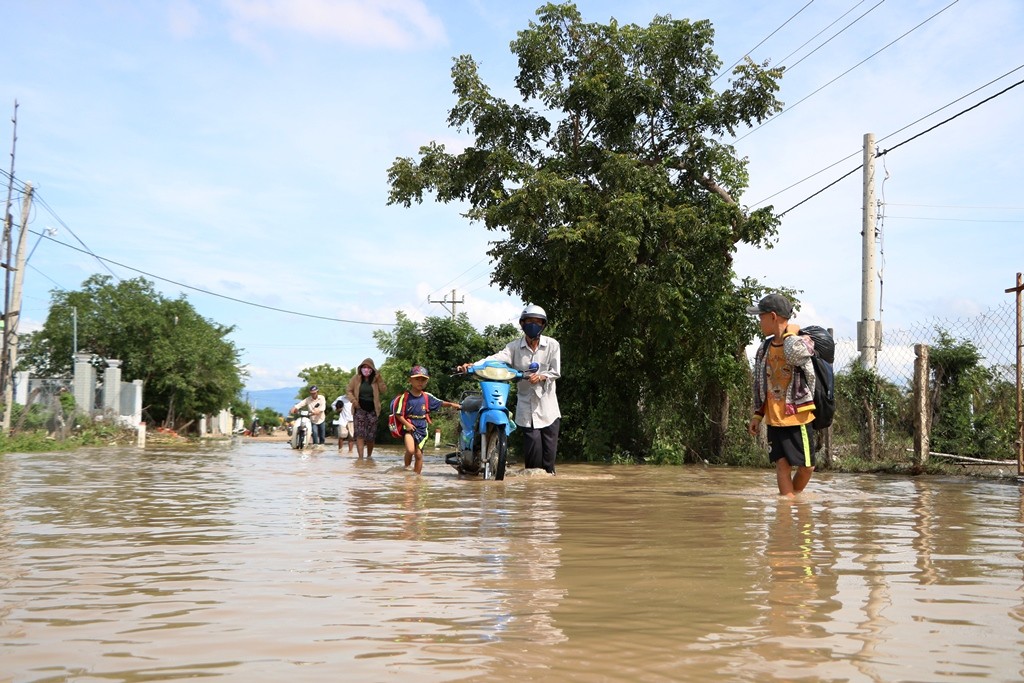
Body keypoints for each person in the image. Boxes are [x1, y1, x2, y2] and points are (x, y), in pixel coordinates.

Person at [459, 304, 561, 474]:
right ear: (522, 324)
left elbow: (555, 371)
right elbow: (496, 358)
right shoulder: (513, 347)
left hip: (548, 407)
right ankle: (532, 495)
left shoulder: (552, 345)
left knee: (549, 460)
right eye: (529, 321)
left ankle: (548, 492)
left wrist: (542, 376)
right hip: (527, 408)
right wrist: (473, 365)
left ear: (543, 325)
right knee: (533, 459)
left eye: (537, 322)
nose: (533, 325)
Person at [747, 293, 817, 498]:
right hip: (774, 418)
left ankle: (794, 498)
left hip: (797, 416)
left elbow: (796, 354)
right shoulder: (764, 348)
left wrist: (789, 334)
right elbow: (760, 383)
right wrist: (758, 414)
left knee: (807, 467)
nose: (759, 321)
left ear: (773, 316)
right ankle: (786, 512)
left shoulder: (801, 341)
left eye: (761, 317)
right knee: (782, 466)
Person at [394, 365, 460, 474]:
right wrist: (407, 424)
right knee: (410, 450)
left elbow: (440, 403)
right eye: (417, 379)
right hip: (409, 426)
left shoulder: (427, 397)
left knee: (419, 454)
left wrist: (452, 404)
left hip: (422, 427)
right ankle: (406, 468)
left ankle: (416, 477)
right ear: (410, 380)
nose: (420, 382)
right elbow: (398, 414)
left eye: (423, 379)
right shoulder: (405, 397)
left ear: (427, 381)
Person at [346, 358, 388, 458]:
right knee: (360, 434)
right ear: (360, 368)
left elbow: (384, 390)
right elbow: (348, 390)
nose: (366, 369)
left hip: (373, 410)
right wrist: (354, 401)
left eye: (369, 368)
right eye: (364, 367)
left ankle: (369, 456)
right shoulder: (356, 378)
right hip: (359, 409)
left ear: (373, 369)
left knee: (370, 436)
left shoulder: (375, 380)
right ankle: (360, 457)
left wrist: (380, 379)